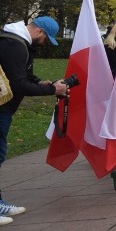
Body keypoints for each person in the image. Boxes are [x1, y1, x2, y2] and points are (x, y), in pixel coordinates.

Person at [0, 17, 69, 224]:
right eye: (47, 37)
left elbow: (22, 76)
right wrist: (51, 89)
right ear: (39, 31)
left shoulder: (17, 41)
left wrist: (40, 82)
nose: (46, 42)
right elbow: (19, 85)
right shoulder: (15, 45)